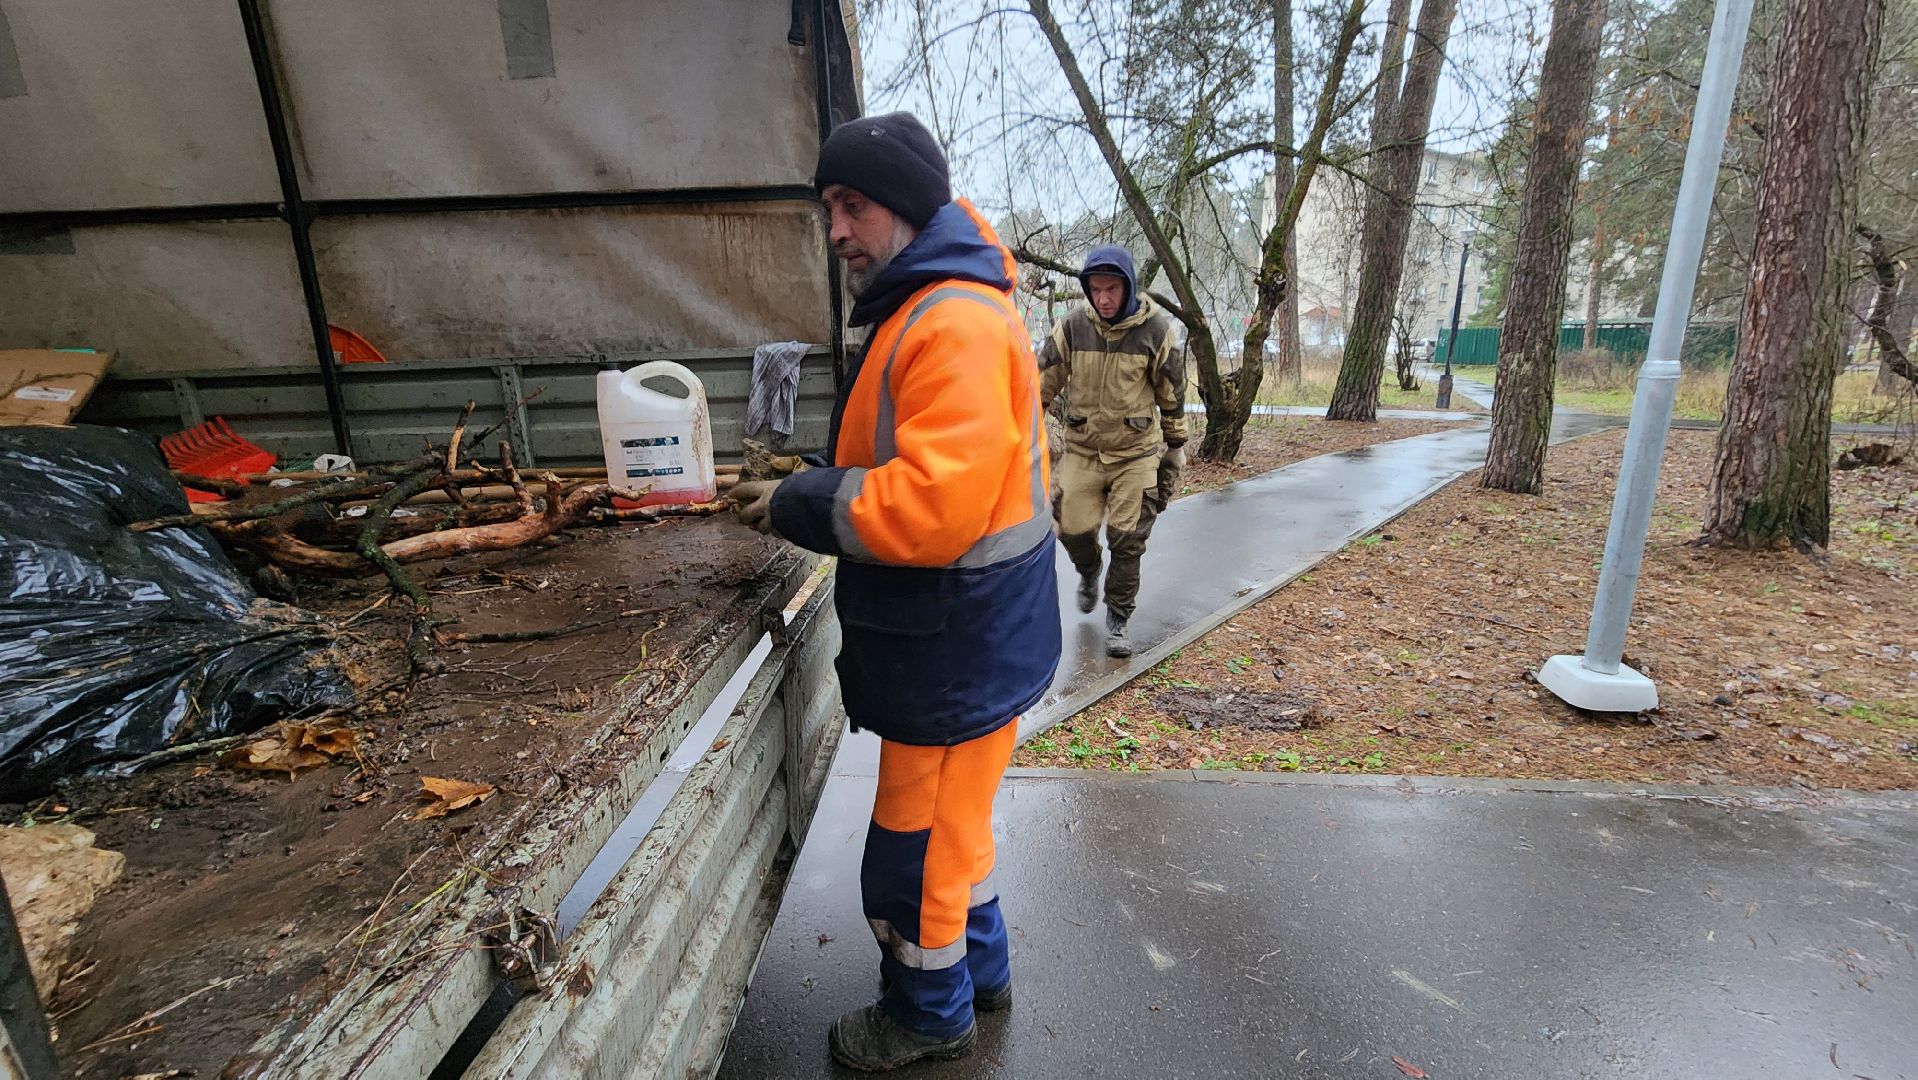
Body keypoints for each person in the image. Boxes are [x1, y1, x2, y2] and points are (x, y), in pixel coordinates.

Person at [728, 111, 1060, 1072]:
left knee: (913, 854)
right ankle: (979, 976)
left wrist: (799, 500)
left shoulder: (949, 319)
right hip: (969, 638)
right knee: (956, 832)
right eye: (828, 206)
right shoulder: (939, 304)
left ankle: (927, 1014)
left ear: (908, 208)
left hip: (953, 644)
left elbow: (933, 510)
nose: (835, 229)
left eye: (853, 205)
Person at [1038, 244, 1186, 658]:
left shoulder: (1155, 330)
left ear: (1129, 287)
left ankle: (1118, 616)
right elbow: (1039, 384)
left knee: (1128, 536)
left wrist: (1175, 449)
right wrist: (1025, 430)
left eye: (1112, 289)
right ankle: (1088, 570)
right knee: (1070, 527)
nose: (1103, 299)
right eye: (1096, 289)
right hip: (1084, 450)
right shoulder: (1072, 328)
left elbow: (1172, 393)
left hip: (1135, 454)